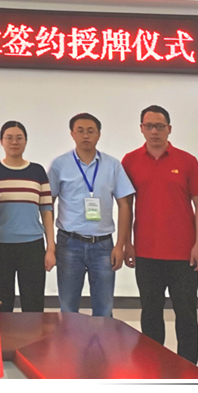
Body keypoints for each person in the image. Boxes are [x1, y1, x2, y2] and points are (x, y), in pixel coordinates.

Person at [121, 105, 198, 364]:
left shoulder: (187, 161)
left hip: (184, 254)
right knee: (150, 314)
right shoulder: (130, 161)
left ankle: (188, 368)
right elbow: (126, 206)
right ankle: (153, 367)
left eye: (160, 126)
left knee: (186, 315)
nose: (154, 131)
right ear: (141, 129)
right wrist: (127, 244)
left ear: (169, 129)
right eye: (149, 126)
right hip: (146, 253)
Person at [47, 112, 134, 317]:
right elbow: (47, 204)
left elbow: (125, 205)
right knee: (68, 309)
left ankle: (103, 340)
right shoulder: (60, 164)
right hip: (69, 243)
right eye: (80, 131)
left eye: (90, 131)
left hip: (103, 246)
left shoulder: (113, 165)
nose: (85, 135)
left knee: (104, 309)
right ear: (72, 134)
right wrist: (50, 245)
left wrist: (120, 245)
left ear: (99, 134)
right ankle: (69, 340)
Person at [0, 121, 55, 313]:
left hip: (32, 246)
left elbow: (46, 210)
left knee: (33, 304)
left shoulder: (37, 171)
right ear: (1, 141)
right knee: (1, 305)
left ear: (26, 141)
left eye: (19, 138)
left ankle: (32, 335)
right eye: (9, 138)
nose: (14, 142)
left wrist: (50, 248)